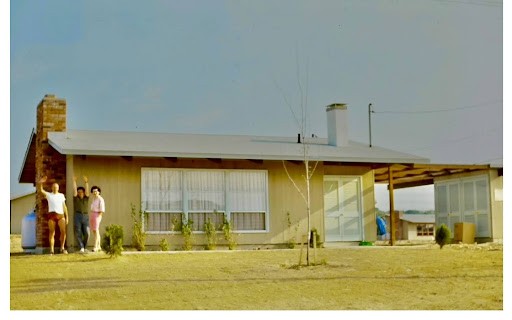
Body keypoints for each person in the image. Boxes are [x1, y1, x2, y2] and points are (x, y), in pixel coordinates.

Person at [38, 176, 69, 255]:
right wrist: (41, 182)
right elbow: (41, 190)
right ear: (52, 188)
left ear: (58, 188)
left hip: (61, 215)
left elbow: (64, 206)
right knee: (52, 232)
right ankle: (52, 250)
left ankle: (62, 248)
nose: (55, 188)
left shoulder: (61, 195)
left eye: (56, 187)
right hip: (52, 215)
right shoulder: (49, 195)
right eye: (54, 187)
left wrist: (67, 217)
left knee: (63, 232)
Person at [73, 176, 90, 253]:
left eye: (81, 192)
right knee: (78, 231)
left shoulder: (86, 198)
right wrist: (74, 182)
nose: (80, 193)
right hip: (77, 215)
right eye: (79, 192)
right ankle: (81, 247)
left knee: (87, 232)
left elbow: (87, 192)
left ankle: (84, 246)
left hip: (85, 216)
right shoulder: (76, 198)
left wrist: (86, 182)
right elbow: (74, 192)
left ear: (83, 192)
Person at [90, 185, 105, 252]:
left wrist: (99, 217)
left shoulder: (100, 199)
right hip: (93, 214)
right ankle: (99, 246)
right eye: (93, 191)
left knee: (96, 230)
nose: (95, 192)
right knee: (95, 231)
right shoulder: (93, 199)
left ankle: (95, 246)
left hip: (97, 215)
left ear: (98, 192)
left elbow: (102, 209)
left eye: (96, 191)